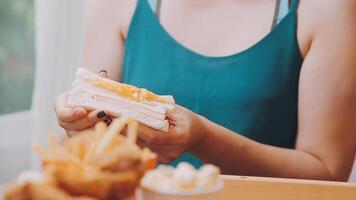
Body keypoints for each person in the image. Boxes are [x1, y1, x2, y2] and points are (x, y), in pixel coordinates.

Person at [54, 0, 356, 181]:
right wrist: (79, 130)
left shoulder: (326, 9)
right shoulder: (116, 5)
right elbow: (89, 152)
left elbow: (328, 175)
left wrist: (204, 139)